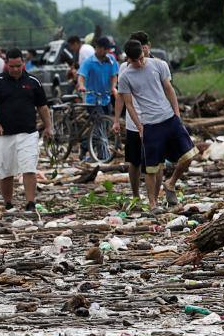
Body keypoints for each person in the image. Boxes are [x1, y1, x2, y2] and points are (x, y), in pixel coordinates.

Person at [118, 39, 198, 211]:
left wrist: (177, 114)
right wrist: (139, 126)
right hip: (150, 124)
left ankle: (171, 183)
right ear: (128, 60)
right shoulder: (125, 76)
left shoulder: (159, 65)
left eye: (141, 58)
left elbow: (169, 89)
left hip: (169, 118)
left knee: (189, 155)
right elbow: (129, 104)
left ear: (143, 52)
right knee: (151, 168)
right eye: (134, 61)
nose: (139, 63)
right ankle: (153, 203)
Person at [0, 48, 53, 212]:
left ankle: (30, 203)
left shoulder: (33, 82)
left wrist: (49, 126)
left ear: (23, 63)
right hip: (4, 135)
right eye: (12, 66)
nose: (15, 69)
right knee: (6, 170)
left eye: (18, 66)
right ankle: (8, 203)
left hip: (28, 133)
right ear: (6, 64)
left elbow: (42, 107)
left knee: (29, 167)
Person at [113, 31, 162, 199]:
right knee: (134, 161)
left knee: (157, 162)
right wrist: (116, 120)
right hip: (134, 123)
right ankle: (135, 196)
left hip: (156, 121)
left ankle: (154, 198)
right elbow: (121, 97)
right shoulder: (124, 68)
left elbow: (167, 91)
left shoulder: (157, 65)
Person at [77, 37, 119, 160]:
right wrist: (82, 86)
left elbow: (114, 75)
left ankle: (85, 146)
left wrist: (113, 87)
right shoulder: (89, 62)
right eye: (104, 49)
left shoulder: (111, 60)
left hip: (106, 98)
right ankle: (102, 156)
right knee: (100, 126)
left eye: (108, 50)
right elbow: (81, 76)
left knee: (104, 126)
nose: (106, 52)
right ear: (98, 48)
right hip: (92, 99)